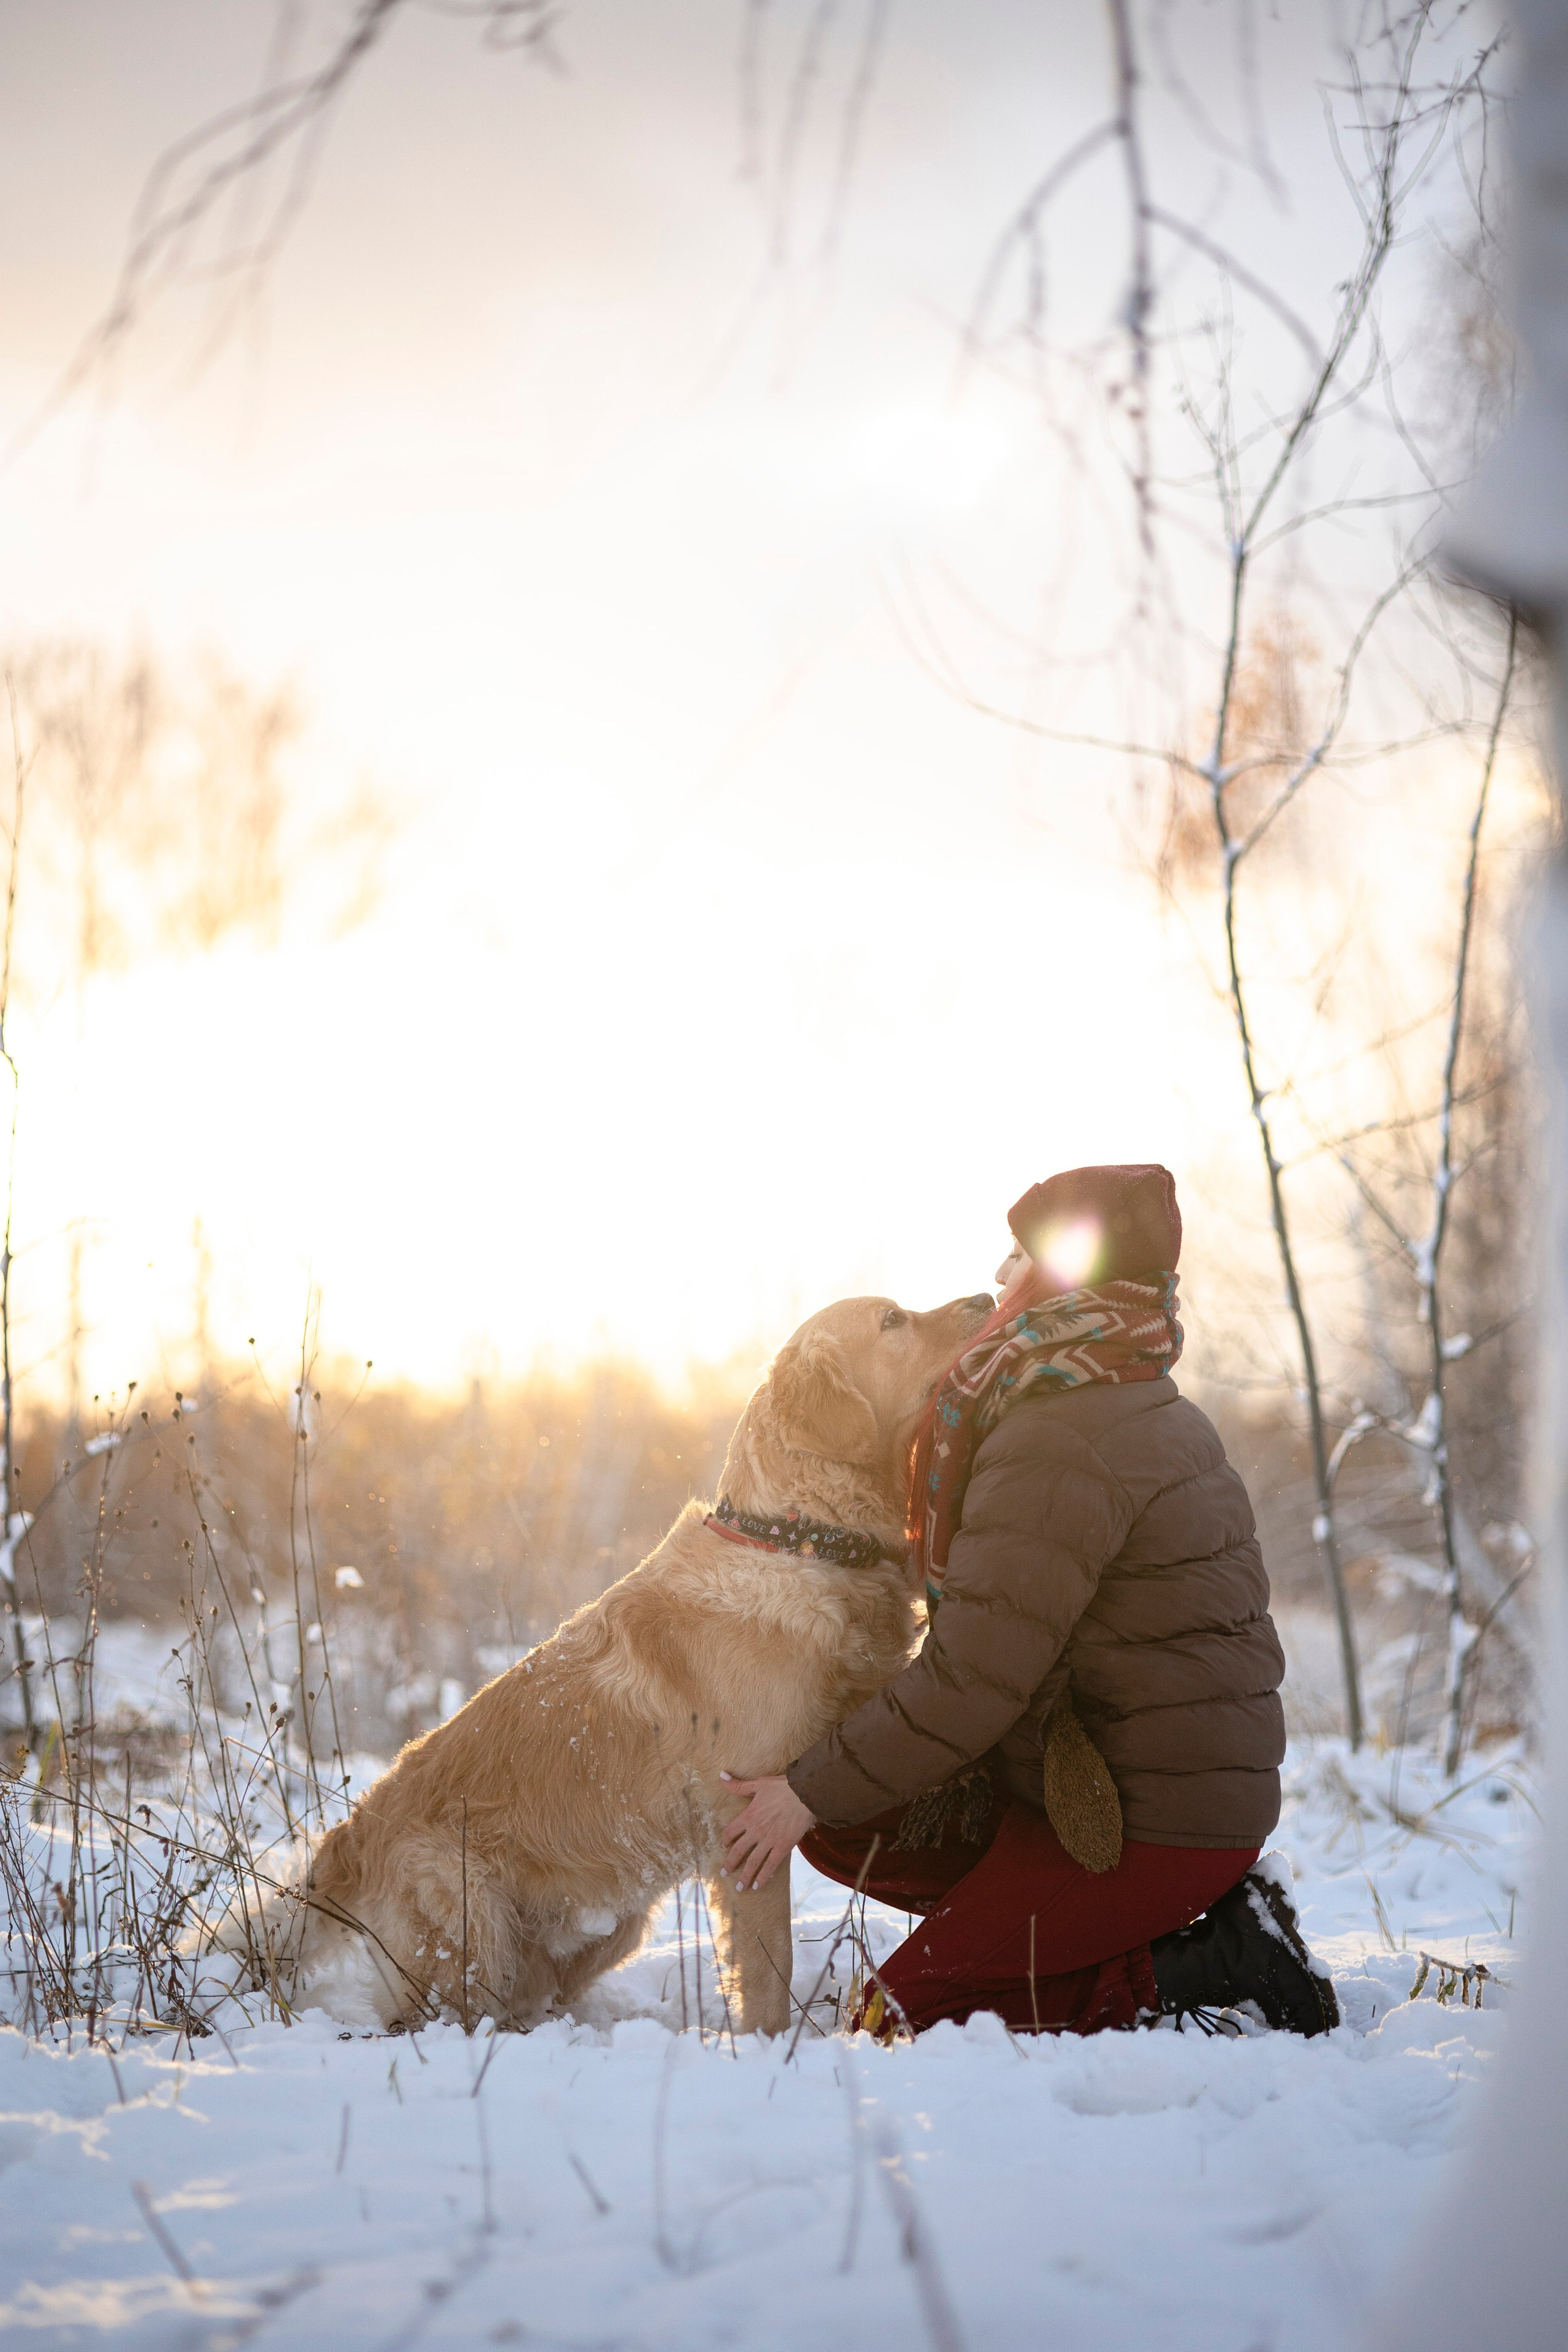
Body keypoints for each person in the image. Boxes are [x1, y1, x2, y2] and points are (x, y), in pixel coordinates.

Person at [721, 1164, 1338, 2038]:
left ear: (1058, 1281)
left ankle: (1225, 1956)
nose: (996, 1279)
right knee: (841, 1820)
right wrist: (820, 1789)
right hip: (1100, 1782)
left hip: (1151, 1821)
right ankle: (1060, 1926)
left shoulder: (1058, 1435)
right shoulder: (1107, 1391)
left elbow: (973, 1678)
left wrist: (806, 1788)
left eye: (1017, 1258)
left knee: (895, 2016)